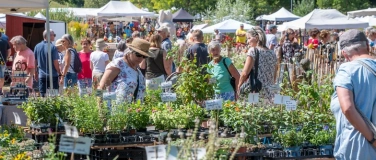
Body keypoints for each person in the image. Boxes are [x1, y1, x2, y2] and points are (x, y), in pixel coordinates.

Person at [330, 29, 376, 159]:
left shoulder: (347, 70)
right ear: (367, 45)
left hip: (357, 147)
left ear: (344, 53)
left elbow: (348, 108)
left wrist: (373, 139)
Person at [97, 38, 153, 104]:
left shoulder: (137, 70)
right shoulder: (118, 64)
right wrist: (101, 112)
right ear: (130, 51)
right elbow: (100, 88)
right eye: (138, 55)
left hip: (135, 112)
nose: (141, 58)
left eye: (144, 56)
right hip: (116, 112)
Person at [238, 27, 277, 101]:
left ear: (256, 37)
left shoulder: (253, 51)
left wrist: (239, 86)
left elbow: (244, 73)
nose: (248, 41)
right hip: (269, 92)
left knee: (253, 111)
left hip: (256, 90)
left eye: (249, 38)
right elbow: (274, 75)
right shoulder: (272, 53)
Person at [34, 29, 61, 97]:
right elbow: (55, 62)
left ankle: (44, 106)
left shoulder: (37, 46)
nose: (54, 37)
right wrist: (59, 73)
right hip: (53, 75)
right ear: (48, 36)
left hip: (42, 75)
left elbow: (35, 61)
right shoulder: (53, 47)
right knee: (54, 96)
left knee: (43, 95)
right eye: (53, 35)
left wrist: (35, 72)